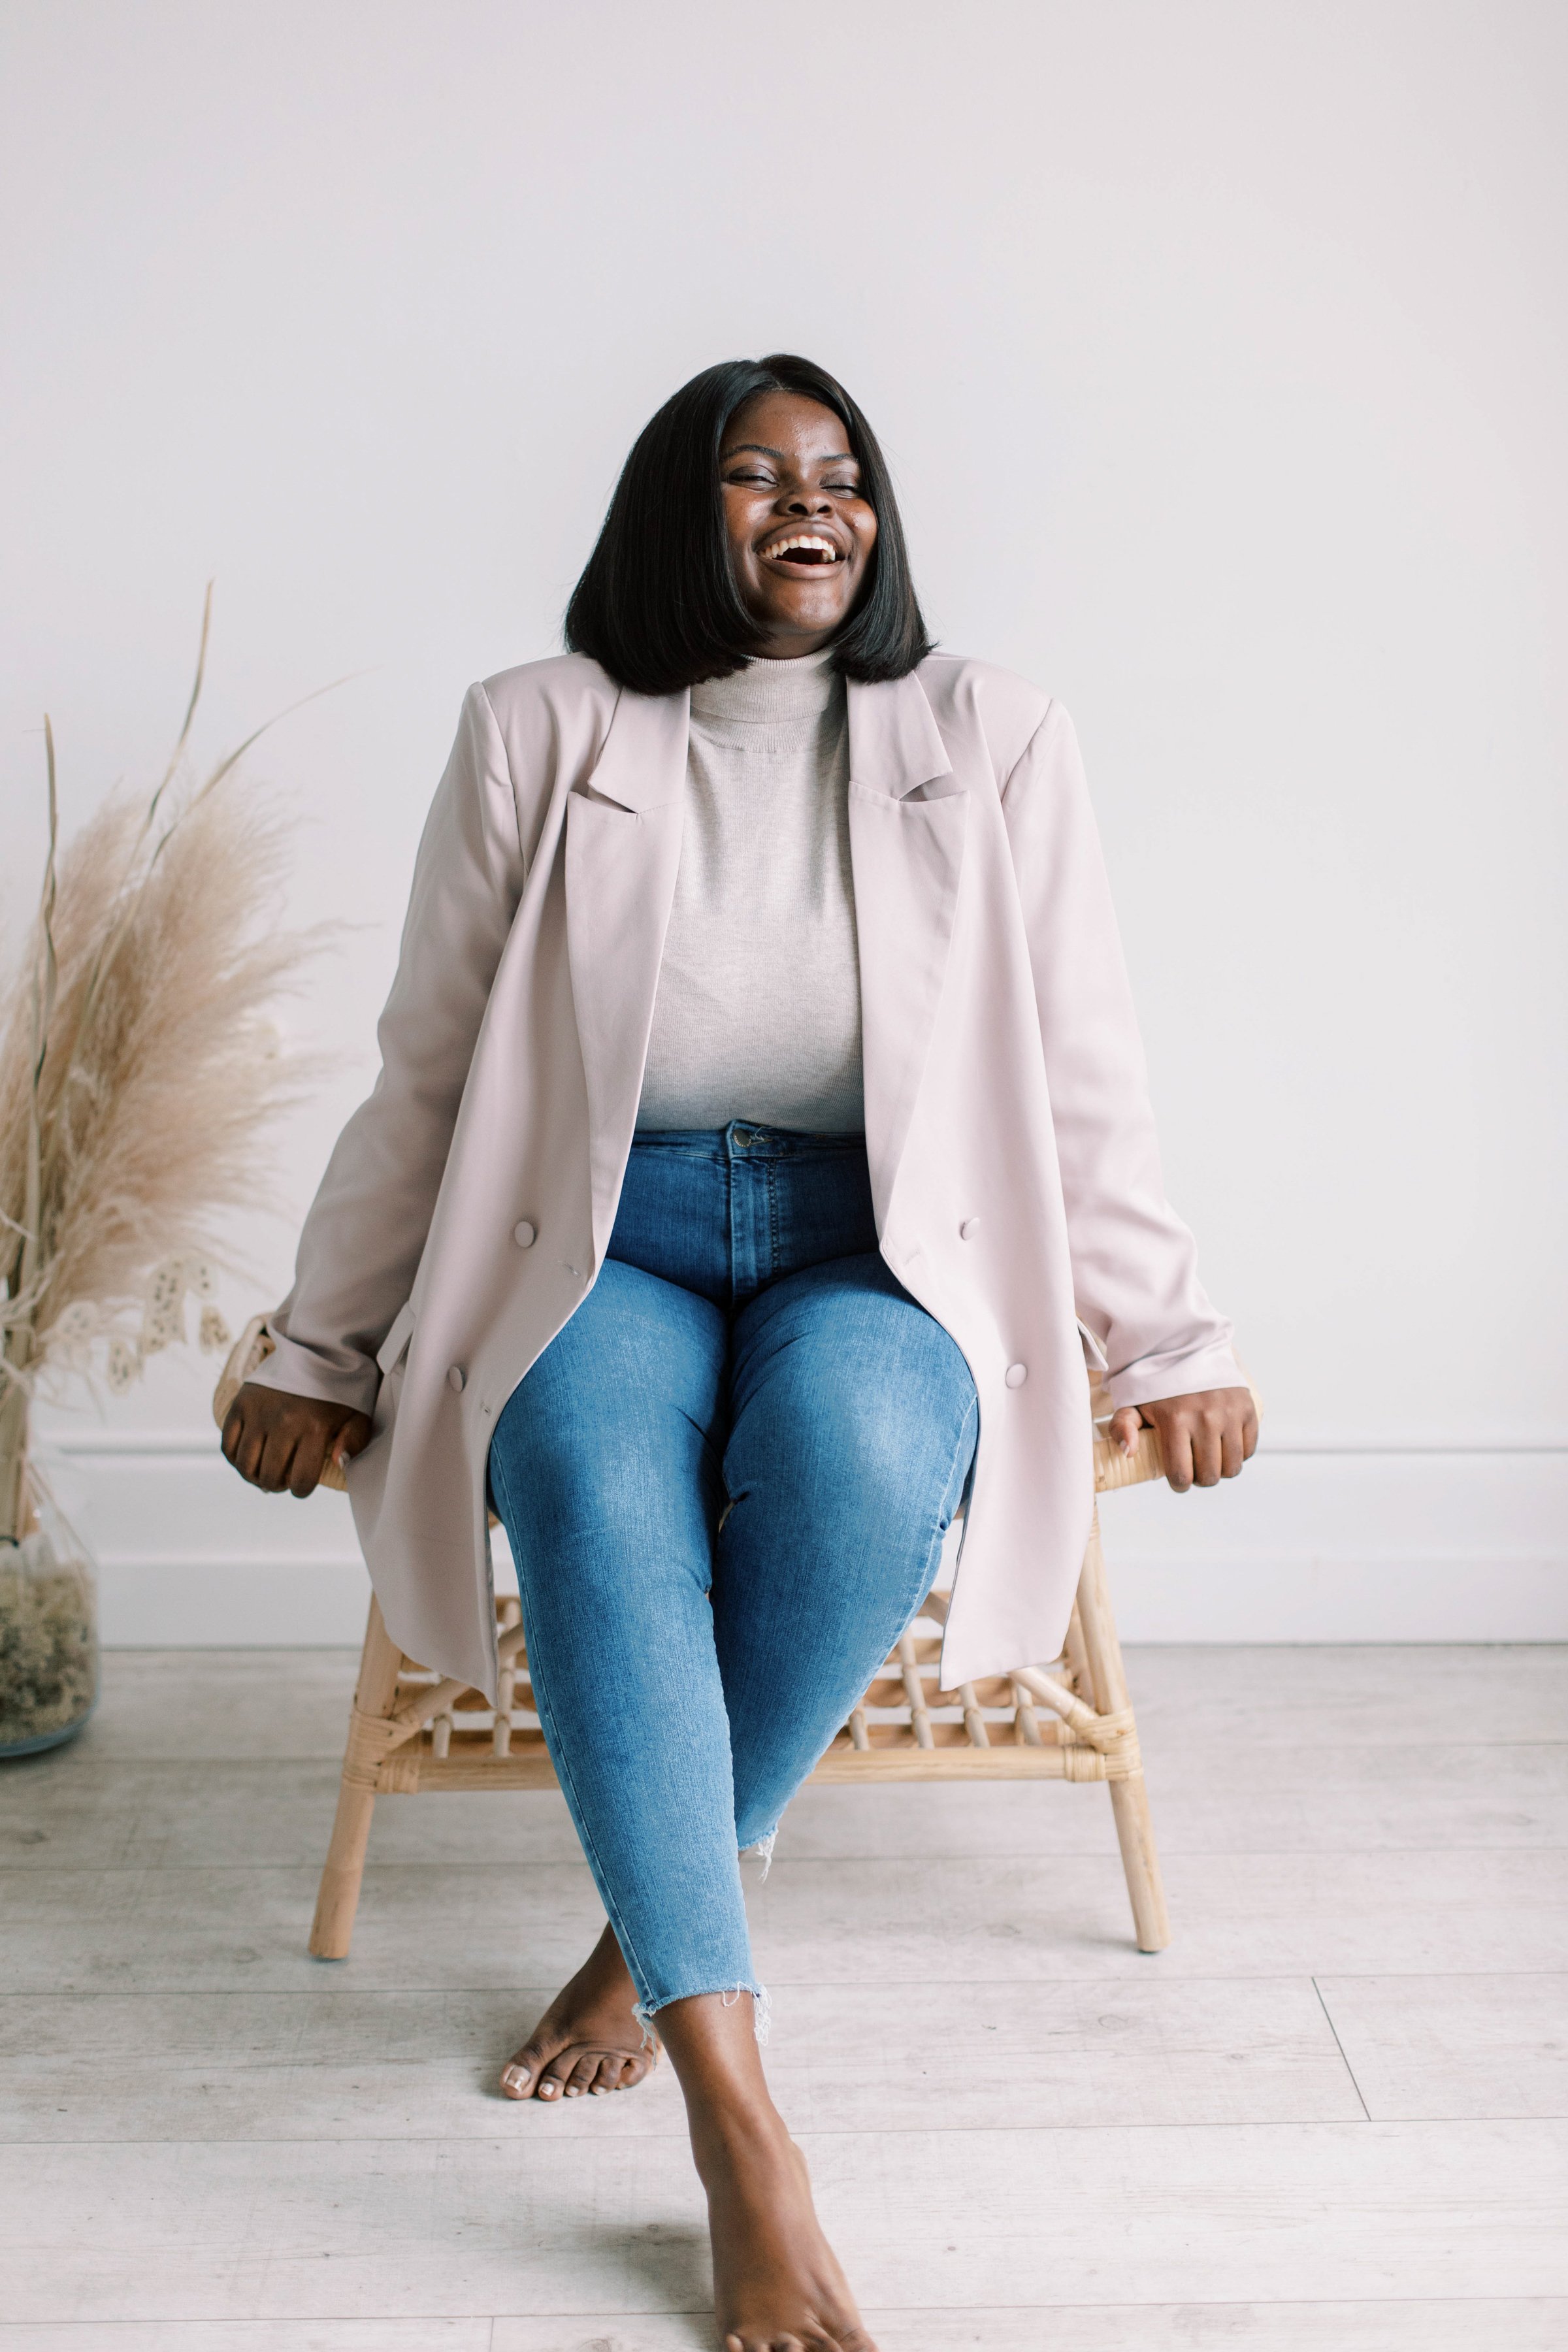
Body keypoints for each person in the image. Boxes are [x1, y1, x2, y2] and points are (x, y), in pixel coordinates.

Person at [223, 353, 1256, 2352]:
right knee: (598, 1491)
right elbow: (426, 1073)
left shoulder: (992, 732)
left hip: (880, 1240)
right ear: (671, 513)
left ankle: (643, 1941)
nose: (814, 507)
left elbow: (1084, 1069)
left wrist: (1174, 1328)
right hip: (601, 1238)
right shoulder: (540, 729)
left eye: (844, 477)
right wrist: (321, 1340)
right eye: (759, 475)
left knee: (871, 1459)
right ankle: (743, 2135)